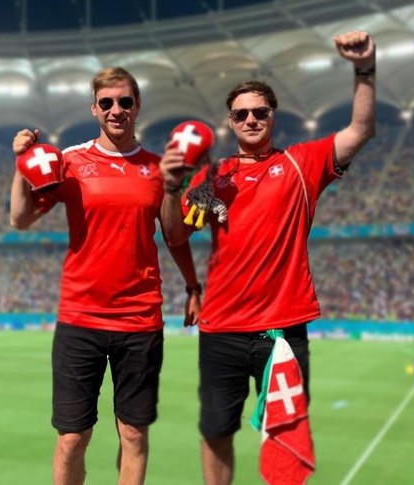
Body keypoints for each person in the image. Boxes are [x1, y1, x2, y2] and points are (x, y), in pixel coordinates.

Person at [158, 31, 376, 485]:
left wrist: (364, 69)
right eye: (242, 114)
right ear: (230, 122)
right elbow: (175, 233)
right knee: (216, 432)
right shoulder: (212, 177)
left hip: (282, 329)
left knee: (287, 438)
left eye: (260, 111)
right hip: (221, 328)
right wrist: (171, 185)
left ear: (273, 115)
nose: (251, 119)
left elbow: (360, 131)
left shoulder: (303, 163)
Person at [10, 66, 202, 485]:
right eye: (107, 103)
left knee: (133, 433)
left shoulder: (157, 167)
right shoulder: (70, 162)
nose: (117, 110)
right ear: (94, 109)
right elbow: (20, 218)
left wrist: (192, 284)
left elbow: (173, 234)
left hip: (140, 318)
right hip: (81, 318)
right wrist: (21, 165)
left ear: (137, 107)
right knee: (72, 438)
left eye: (125, 102)